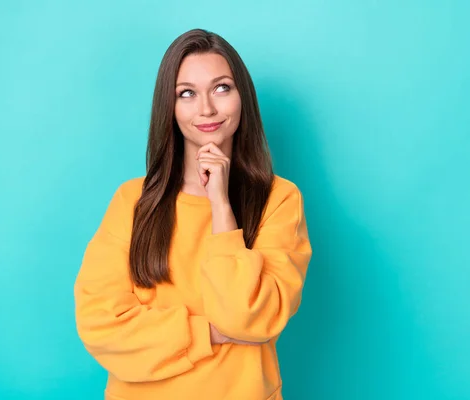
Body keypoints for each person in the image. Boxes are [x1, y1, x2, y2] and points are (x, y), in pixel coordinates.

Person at [73, 28, 312, 400]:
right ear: (169, 108)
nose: (206, 109)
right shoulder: (132, 201)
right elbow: (101, 325)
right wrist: (209, 333)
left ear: (242, 97)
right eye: (187, 93)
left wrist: (221, 205)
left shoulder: (279, 199)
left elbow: (249, 319)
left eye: (221, 88)